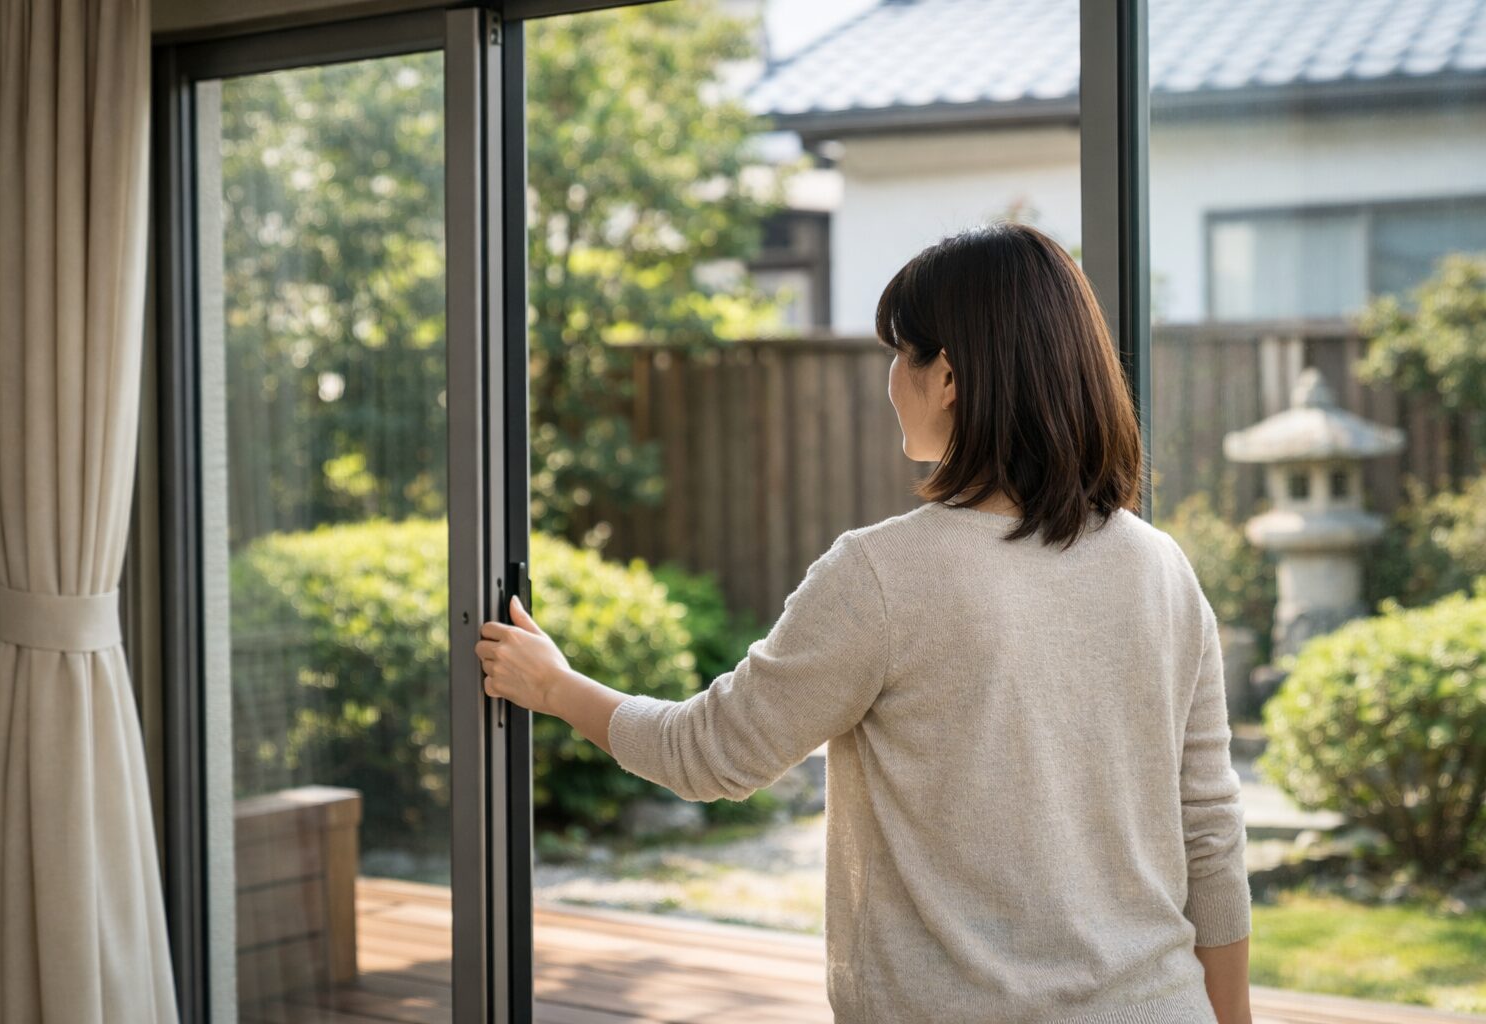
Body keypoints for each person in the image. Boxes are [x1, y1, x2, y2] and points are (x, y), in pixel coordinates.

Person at [475, 222, 1254, 1024]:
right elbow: (1212, 836)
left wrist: (556, 687)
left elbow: (711, 754)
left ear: (946, 375)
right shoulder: (1161, 566)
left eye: (899, 353)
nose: (889, 380)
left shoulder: (885, 574)